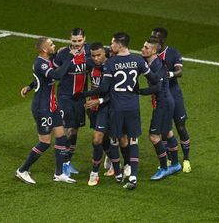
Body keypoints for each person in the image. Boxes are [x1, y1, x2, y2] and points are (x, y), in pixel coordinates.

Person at [76, 32, 159, 190]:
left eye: (113, 43)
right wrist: (140, 91)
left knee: (114, 140)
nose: (111, 46)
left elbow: (104, 88)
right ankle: (133, 176)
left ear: (119, 45)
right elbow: (155, 80)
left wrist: (84, 94)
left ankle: (119, 173)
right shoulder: (138, 60)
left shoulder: (111, 63)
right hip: (133, 107)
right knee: (132, 140)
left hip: (116, 107)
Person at [15, 37, 78, 184]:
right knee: (44, 142)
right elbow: (56, 75)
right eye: (51, 44)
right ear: (44, 49)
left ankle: (59, 173)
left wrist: (30, 87)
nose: (54, 45)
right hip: (42, 108)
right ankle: (22, 170)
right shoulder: (40, 63)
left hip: (52, 106)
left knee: (61, 137)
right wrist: (70, 57)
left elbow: (40, 79)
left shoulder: (47, 60)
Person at [138, 38, 182, 180]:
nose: (142, 49)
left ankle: (164, 168)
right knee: (167, 132)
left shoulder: (157, 65)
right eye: (143, 46)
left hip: (163, 103)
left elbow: (156, 87)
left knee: (154, 136)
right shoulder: (148, 61)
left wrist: (139, 91)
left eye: (146, 47)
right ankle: (175, 164)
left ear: (154, 51)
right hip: (166, 101)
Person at [151, 27, 192, 173]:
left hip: (174, 94)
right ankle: (168, 158)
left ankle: (186, 159)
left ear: (163, 39)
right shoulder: (150, 54)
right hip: (160, 96)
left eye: (156, 37)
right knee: (163, 130)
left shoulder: (173, 53)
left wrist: (169, 74)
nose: (153, 40)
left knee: (180, 126)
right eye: (152, 37)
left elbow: (180, 71)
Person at [53, 28, 93, 175]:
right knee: (67, 130)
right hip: (65, 96)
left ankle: (68, 162)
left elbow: (106, 52)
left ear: (84, 39)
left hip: (80, 97)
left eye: (79, 41)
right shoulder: (63, 53)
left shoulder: (89, 51)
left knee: (75, 129)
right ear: (70, 39)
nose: (76, 44)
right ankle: (61, 164)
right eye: (74, 41)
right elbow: (54, 71)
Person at [83, 42, 111, 186]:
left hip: (107, 106)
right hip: (92, 107)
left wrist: (99, 101)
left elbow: (116, 93)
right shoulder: (90, 64)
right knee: (103, 137)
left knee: (96, 139)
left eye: (99, 55)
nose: (95, 58)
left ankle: (94, 173)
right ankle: (112, 157)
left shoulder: (112, 66)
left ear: (105, 53)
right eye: (93, 55)